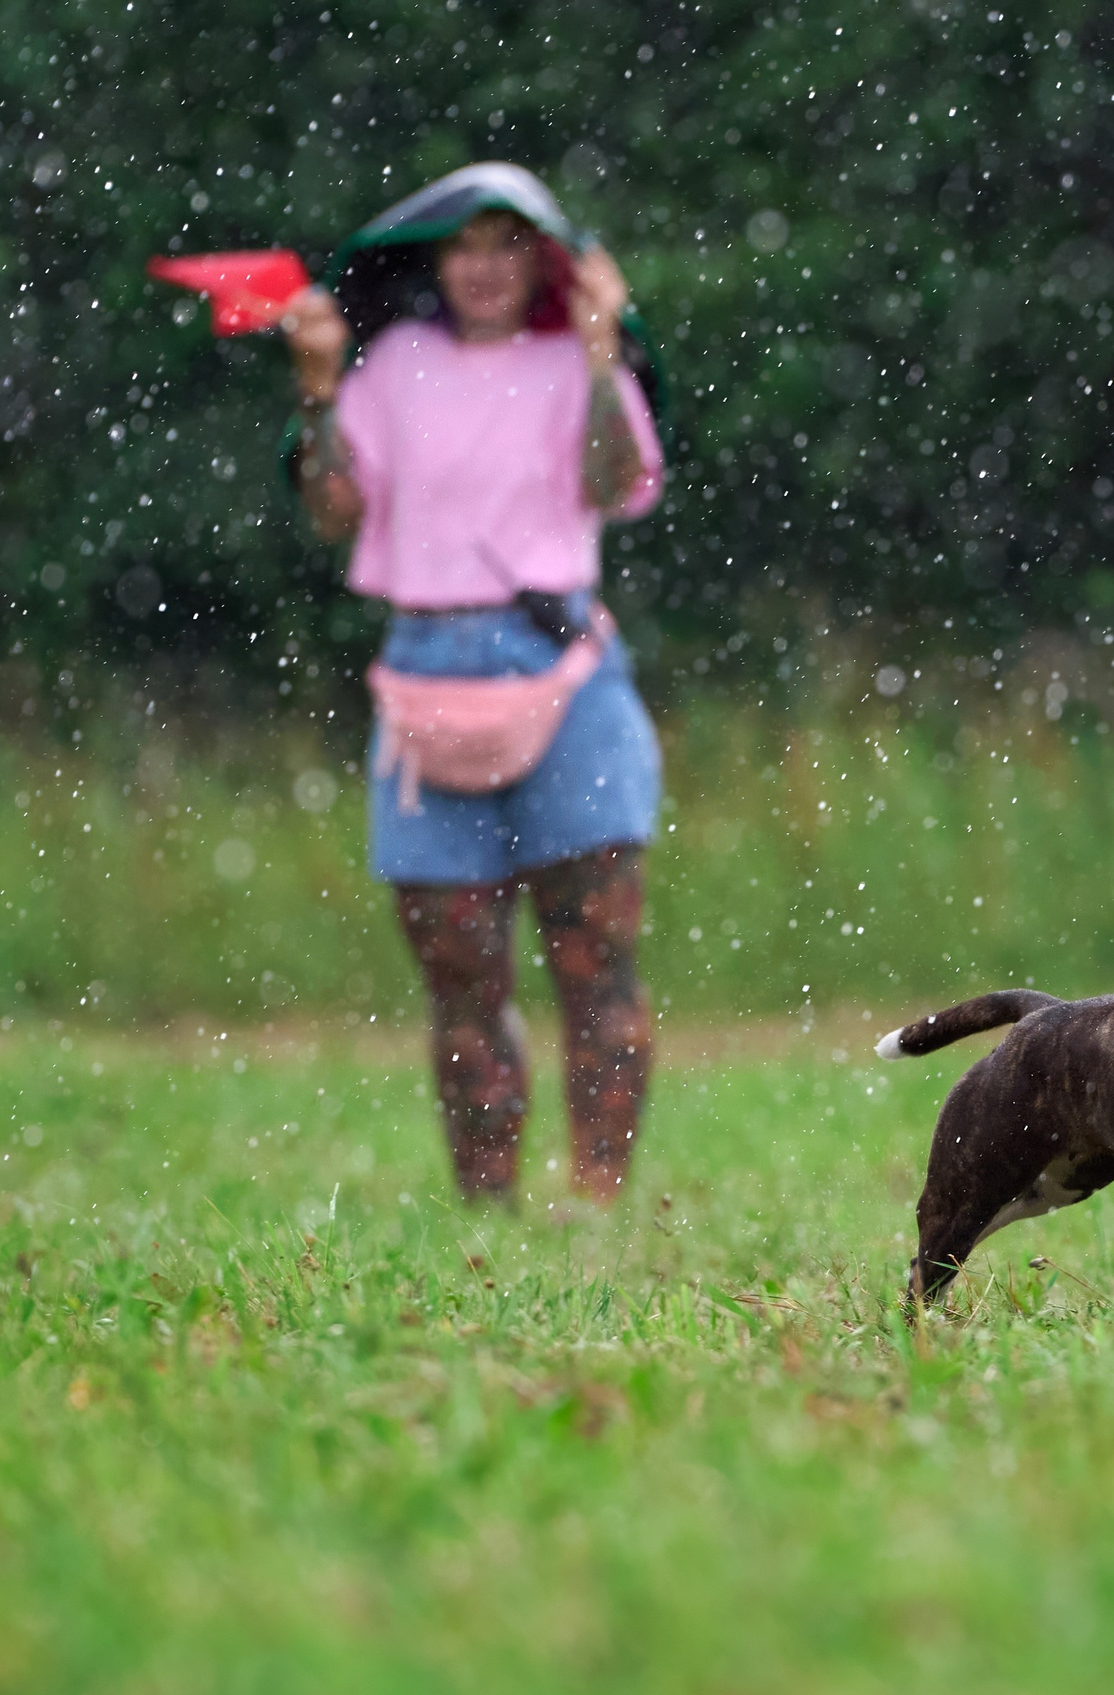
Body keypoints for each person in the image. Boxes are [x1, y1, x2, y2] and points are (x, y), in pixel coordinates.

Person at [277, 164, 667, 1204]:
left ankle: (597, 1201)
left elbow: (612, 482)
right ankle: (487, 1213)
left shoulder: (574, 363)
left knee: (595, 963)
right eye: (463, 245)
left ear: (541, 261)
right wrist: (317, 387)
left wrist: (597, 356)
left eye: (507, 243)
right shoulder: (394, 365)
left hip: (562, 669)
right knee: (460, 973)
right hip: (426, 675)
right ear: (434, 262)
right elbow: (333, 508)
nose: (484, 267)